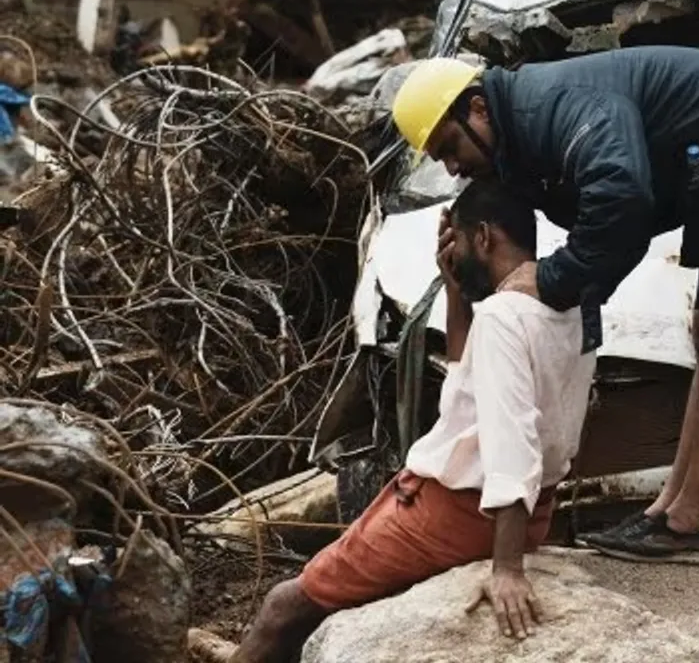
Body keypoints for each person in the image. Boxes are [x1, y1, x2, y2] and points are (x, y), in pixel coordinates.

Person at [390, 45, 699, 565]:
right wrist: (465, 269)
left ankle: (687, 524)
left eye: (451, 147)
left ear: (477, 108)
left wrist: (557, 279)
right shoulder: (516, 138)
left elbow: (622, 199)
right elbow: (541, 242)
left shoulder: (551, 108)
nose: (454, 168)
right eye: (441, 161)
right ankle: (666, 513)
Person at [228, 183, 597, 662]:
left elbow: (512, 444)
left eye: (457, 242)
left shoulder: (504, 317)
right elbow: (472, 384)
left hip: (456, 514)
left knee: (284, 606)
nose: (452, 252)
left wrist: (506, 568)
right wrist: (455, 290)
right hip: (524, 513)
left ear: (483, 237)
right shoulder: (570, 305)